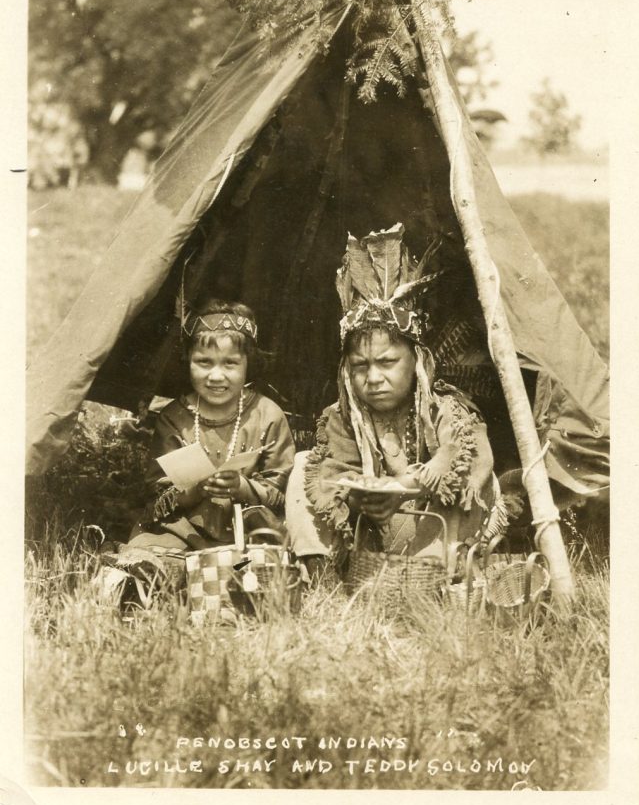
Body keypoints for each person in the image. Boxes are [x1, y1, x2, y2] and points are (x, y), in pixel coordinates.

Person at [286, 224, 507, 578]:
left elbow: (468, 460)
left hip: (433, 527)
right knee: (303, 467)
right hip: (375, 529)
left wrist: (404, 490)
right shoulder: (344, 416)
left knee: (481, 481)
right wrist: (360, 498)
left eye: (388, 363)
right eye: (360, 367)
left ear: (417, 361)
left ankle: (445, 571)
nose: (373, 378)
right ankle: (320, 570)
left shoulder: (445, 408)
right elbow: (334, 472)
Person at [127, 299, 296, 555]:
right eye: (204, 362)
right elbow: (157, 495)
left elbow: (281, 491)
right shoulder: (174, 417)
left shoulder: (267, 414)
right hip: (186, 527)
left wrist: (242, 487)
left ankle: (236, 570)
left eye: (230, 363)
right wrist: (194, 492)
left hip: (248, 524)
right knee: (149, 550)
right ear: (188, 361)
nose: (216, 376)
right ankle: (173, 566)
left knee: (260, 557)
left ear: (248, 363)